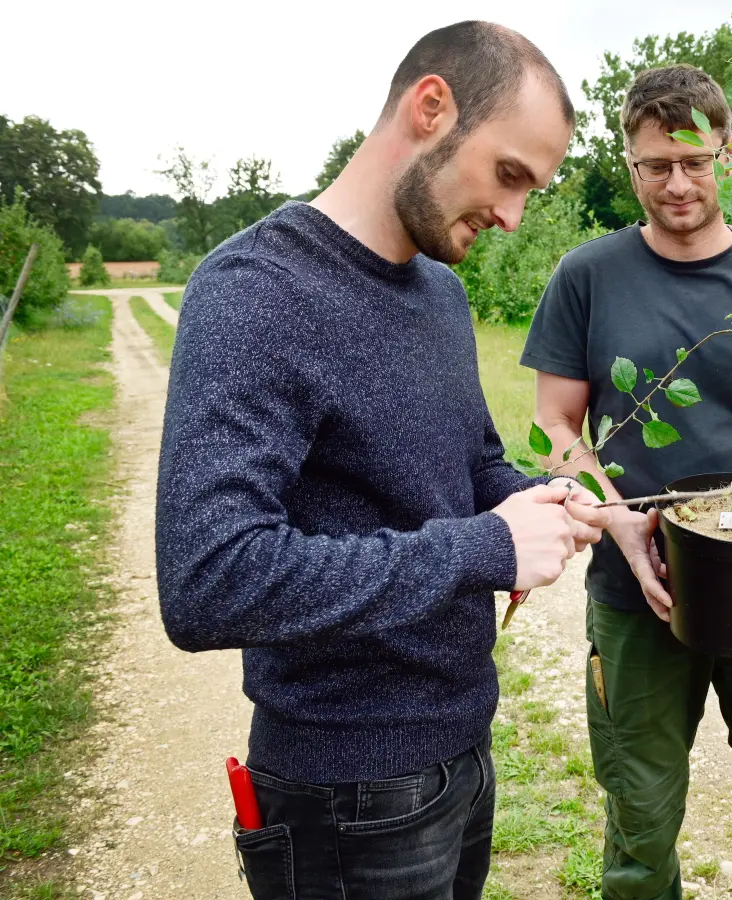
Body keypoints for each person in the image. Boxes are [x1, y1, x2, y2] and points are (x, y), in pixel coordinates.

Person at [155, 21, 605, 899]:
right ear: (431, 107)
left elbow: (469, 465)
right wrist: (484, 548)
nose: (514, 217)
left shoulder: (437, 290)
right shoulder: (256, 293)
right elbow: (208, 579)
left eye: (532, 191)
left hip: (462, 750)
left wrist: (550, 499)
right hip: (341, 790)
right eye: (510, 175)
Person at [521, 64, 732, 900]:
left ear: (728, 157)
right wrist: (619, 522)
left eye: (695, 162)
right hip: (638, 601)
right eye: (654, 164)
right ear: (628, 161)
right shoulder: (586, 277)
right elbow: (557, 428)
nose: (676, 184)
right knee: (640, 818)